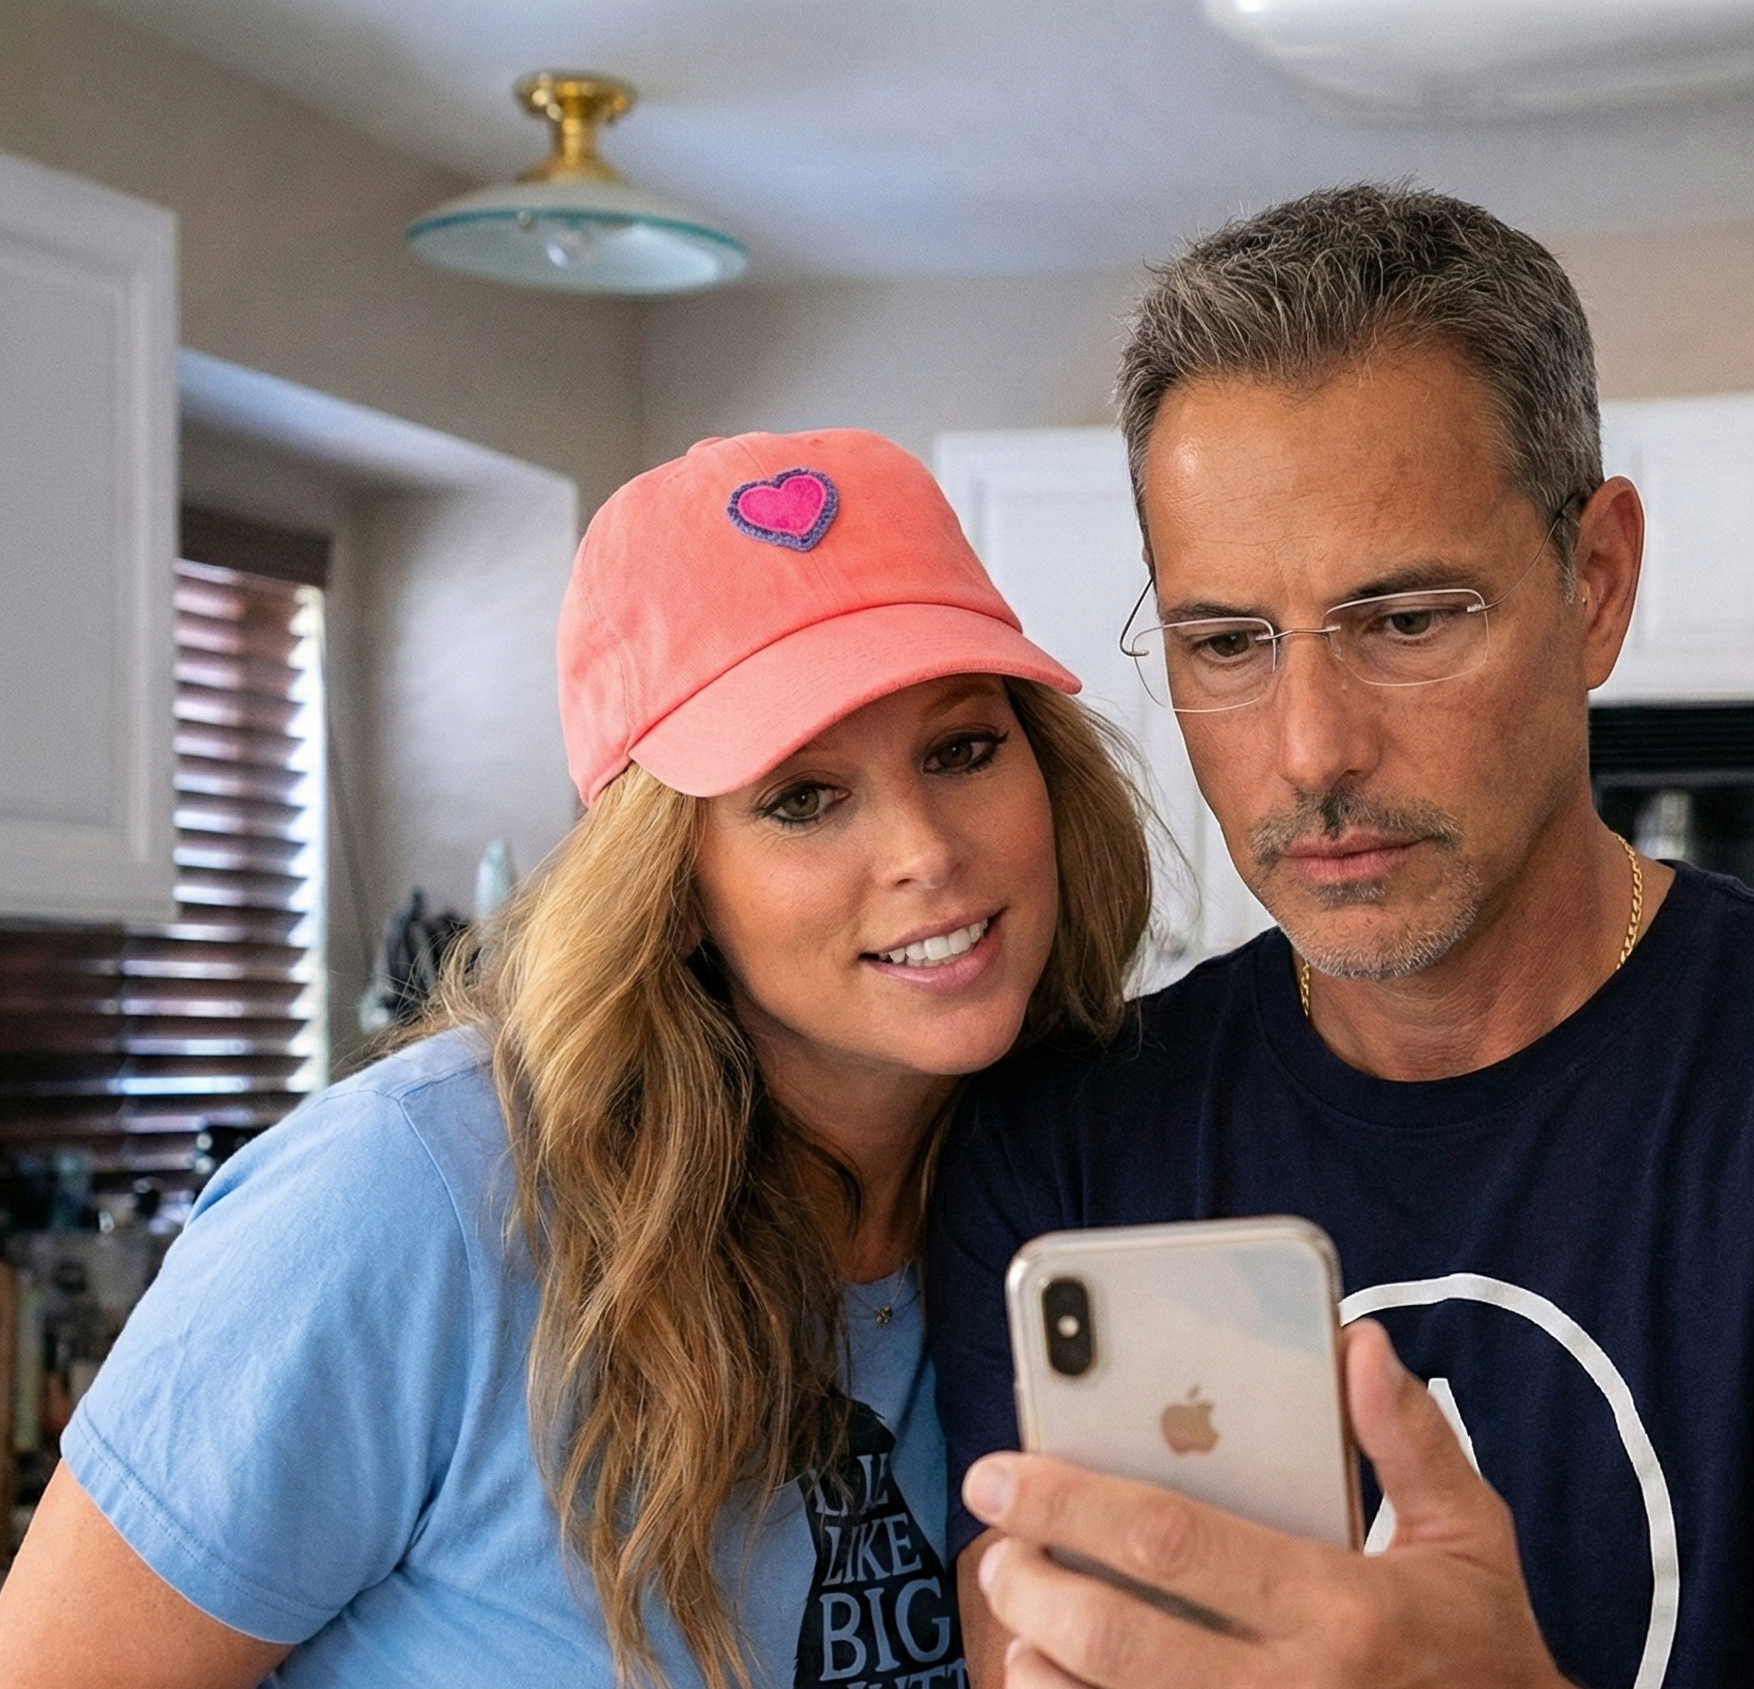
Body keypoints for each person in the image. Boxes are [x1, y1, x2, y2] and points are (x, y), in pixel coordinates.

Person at [926, 186, 1754, 1689]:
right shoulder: (1065, 1150)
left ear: (1597, 583)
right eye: (1226, 642)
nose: (1310, 749)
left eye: (1409, 619)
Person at [0, 429, 1150, 1689]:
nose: (925, 850)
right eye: (800, 797)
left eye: (961, 748)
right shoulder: (409, 1201)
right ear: (671, 880)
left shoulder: (1095, 1175)